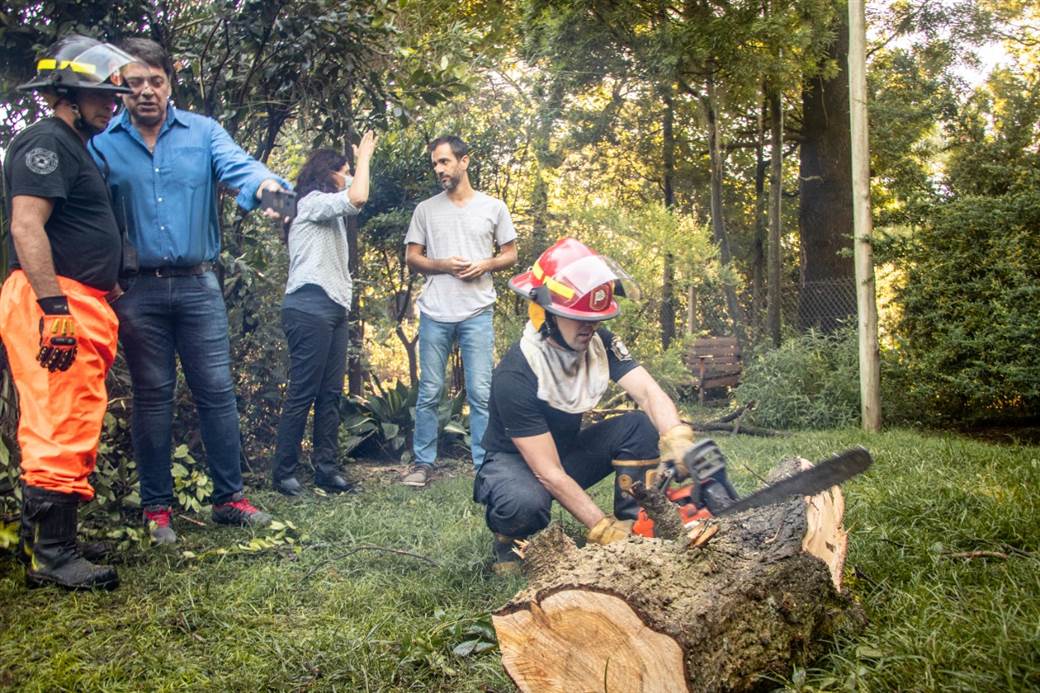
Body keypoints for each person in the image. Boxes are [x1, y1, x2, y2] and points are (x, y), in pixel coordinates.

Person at [90, 37, 286, 544]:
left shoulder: (203, 133)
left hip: (199, 285)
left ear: (170, 81)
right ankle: (157, 510)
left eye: (156, 80)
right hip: (137, 293)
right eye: (135, 83)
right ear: (120, 88)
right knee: (152, 398)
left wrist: (267, 190)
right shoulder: (102, 145)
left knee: (217, 393)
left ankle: (230, 500)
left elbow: (240, 166)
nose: (147, 92)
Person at [473, 238, 702, 575]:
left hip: (566, 452)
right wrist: (601, 529)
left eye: (594, 319)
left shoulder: (600, 344)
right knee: (525, 502)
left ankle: (635, 522)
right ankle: (510, 542)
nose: (590, 326)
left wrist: (677, 437)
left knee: (639, 426)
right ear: (548, 313)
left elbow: (650, 394)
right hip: (516, 464)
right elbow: (548, 472)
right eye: (578, 318)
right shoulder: (516, 372)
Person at [1, 36, 137, 589]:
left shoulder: (75, 145)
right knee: (57, 421)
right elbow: (26, 225)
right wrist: (54, 309)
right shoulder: (45, 142)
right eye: (99, 96)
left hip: (81, 300)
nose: (111, 105)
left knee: (72, 417)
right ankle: (53, 557)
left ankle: (56, 541)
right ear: (65, 94)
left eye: (113, 97)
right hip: (52, 301)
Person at [402, 135, 518, 487]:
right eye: (435, 163)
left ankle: (485, 467)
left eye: (444, 162)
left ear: (464, 161)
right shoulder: (425, 209)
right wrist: (442, 265)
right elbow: (412, 258)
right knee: (429, 392)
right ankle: (423, 464)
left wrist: (484, 264)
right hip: (435, 311)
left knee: (482, 392)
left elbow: (511, 254)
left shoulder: (493, 207)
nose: (439, 169)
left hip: (477, 311)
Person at [272, 133, 377, 496]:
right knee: (303, 391)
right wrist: (363, 156)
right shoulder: (311, 202)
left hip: (333, 307)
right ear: (326, 172)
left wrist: (358, 165)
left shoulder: (328, 208)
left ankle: (326, 469)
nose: (349, 177)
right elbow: (359, 194)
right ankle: (284, 473)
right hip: (308, 305)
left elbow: (358, 194)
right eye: (343, 171)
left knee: (330, 393)